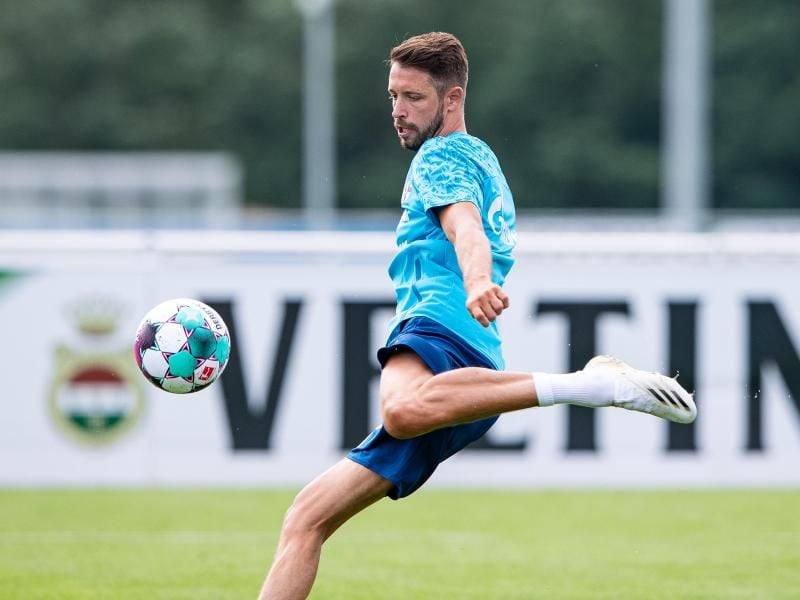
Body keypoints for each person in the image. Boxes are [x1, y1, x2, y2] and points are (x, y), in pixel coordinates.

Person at [258, 31, 696, 600]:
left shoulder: (442, 158)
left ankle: (589, 384)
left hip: (444, 331)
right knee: (307, 518)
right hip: (470, 365)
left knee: (400, 409)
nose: (398, 111)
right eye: (392, 96)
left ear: (453, 98)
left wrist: (476, 279)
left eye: (413, 97)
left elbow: (464, 226)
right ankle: (586, 383)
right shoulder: (481, 155)